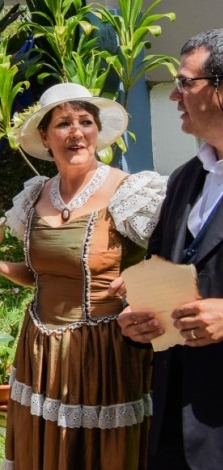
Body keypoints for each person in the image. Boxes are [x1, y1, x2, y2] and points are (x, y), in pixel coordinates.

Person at [0, 83, 166, 469]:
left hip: (104, 351)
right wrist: (0, 267)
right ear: (45, 135)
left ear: (97, 132)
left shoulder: (128, 192)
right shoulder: (36, 195)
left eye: (85, 122)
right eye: (64, 123)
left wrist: (142, 285)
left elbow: (174, 258)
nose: (76, 132)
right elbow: (44, 277)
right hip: (42, 347)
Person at [117, 29, 223, 469]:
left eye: (185, 82)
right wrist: (138, 316)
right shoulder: (184, 178)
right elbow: (159, 265)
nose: (176, 95)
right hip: (176, 409)